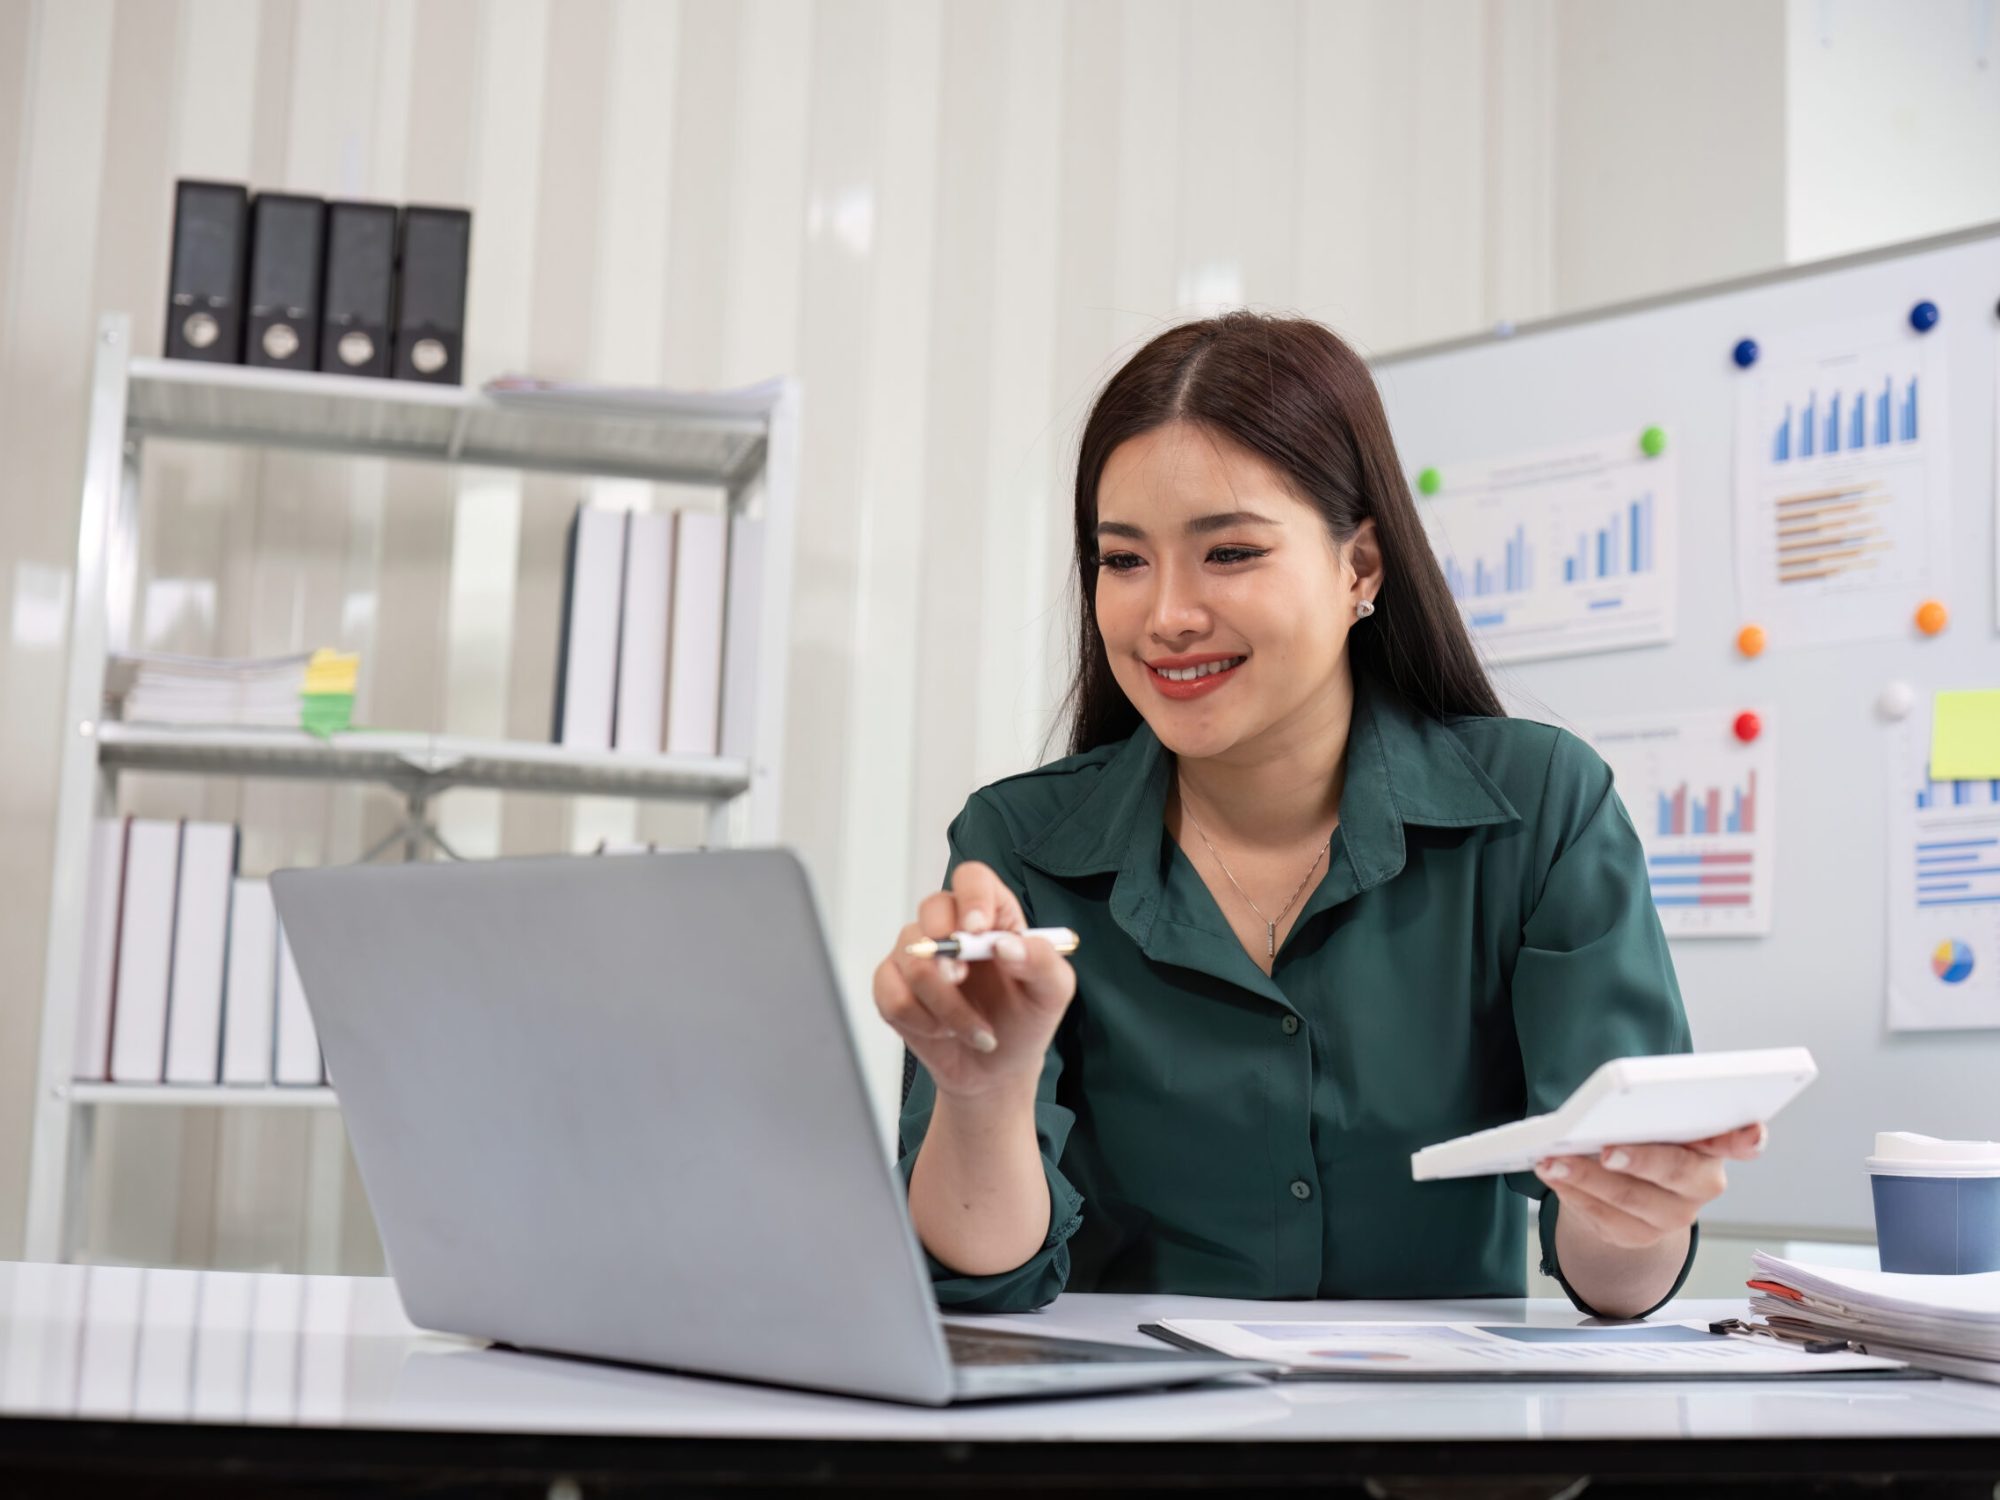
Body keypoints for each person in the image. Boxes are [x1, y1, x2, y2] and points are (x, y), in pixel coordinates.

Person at [872, 312, 1762, 1319]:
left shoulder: (1539, 809)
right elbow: (981, 1278)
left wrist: (1634, 1213)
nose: (1164, 614)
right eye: (1122, 561)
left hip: (1427, 1457)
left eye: (1231, 553)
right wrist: (981, 1095)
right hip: (1123, 1444)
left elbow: (1618, 1286)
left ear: (1360, 570)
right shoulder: (1016, 851)